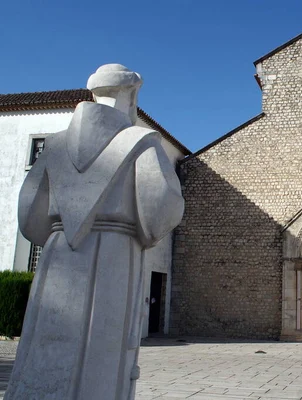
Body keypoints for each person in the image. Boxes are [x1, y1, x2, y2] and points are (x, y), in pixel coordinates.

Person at [5, 64, 184, 400]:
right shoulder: (141, 141)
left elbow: (30, 215)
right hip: (115, 248)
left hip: (57, 253)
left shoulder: (54, 146)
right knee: (104, 347)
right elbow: (161, 203)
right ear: (132, 95)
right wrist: (144, 232)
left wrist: (61, 231)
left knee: (43, 342)